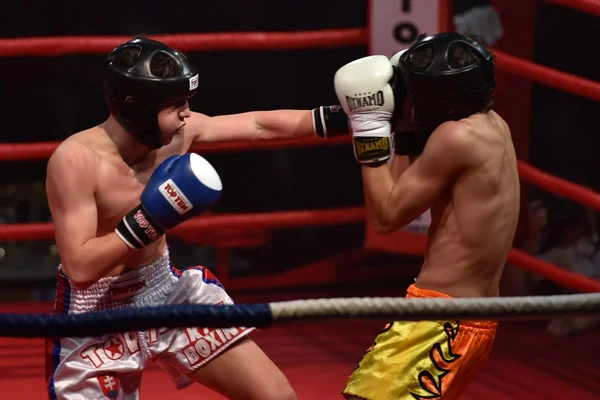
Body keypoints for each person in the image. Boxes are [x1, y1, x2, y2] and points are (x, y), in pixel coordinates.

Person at [44, 36, 349, 400]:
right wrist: (149, 220)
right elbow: (79, 268)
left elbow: (258, 126)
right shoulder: (76, 160)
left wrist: (346, 119)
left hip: (165, 291)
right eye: (175, 105)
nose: (186, 114)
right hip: (96, 310)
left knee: (277, 396)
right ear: (134, 107)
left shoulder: (178, 134)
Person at [333, 32, 520, 399]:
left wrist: (370, 127)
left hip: (440, 317)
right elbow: (407, 189)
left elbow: (386, 217)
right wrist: (404, 124)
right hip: (456, 312)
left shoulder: (454, 138)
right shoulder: (493, 125)